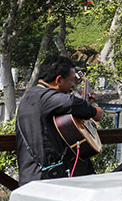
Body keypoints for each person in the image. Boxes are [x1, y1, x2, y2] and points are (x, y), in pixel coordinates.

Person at [16, 56, 102, 186]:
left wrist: (85, 104)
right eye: (72, 80)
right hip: (44, 180)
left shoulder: (34, 95)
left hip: (36, 177)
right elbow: (71, 102)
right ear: (58, 80)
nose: (73, 85)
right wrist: (94, 112)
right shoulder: (43, 96)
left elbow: (63, 116)